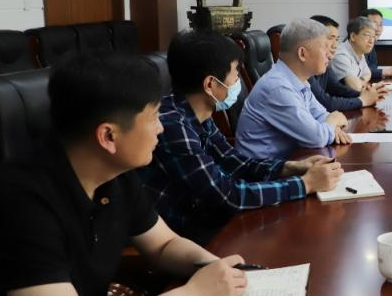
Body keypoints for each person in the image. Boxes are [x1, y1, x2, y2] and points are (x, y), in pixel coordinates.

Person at [0, 54, 249, 296]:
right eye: (153, 117)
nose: (161, 129)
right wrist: (193, 295)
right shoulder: (19, 201)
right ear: (108, 136)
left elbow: (163, 244)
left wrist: (215, 269)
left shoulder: (114, 174)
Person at [140, 30, 342, 244]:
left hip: (209, 216)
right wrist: (305, 184)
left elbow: (233, 161)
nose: (238, 81)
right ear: (210, 85)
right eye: (235, 74)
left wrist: (290, 168)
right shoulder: (173, 126)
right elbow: (226, 197)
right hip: (185, 234)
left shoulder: (198, 113)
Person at [236, 19, 352, 159]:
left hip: (290, 161)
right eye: (325, 48)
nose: (331, 55)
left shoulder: (299, 81)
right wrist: (333, 122)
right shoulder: (278, 88)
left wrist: (331, 124)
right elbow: (317, 137)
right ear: (302, 54)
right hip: (265, 169)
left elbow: (321, 115)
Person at [309, 14, 386, 112]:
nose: (335, 45)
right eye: (330, 38)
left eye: (336, 39)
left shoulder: (324, 63)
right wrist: (362, 100)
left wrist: (365, 94)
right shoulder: (307, 70)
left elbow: (337, 88)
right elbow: (326, 102)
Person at [328, 16, 378, 92]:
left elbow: (368, 73)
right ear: (353, 36)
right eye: (368, 35)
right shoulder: (340, 55)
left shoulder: (359, 51)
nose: (371, 41)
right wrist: (361, 83)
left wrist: (361, 80)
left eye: (373, 37)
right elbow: (355, 87)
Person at [358, 8, 392, 81]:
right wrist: (388, 71)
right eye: (374, 24)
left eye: (380, 25)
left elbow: (373, 64)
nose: (378, 29)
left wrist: (373, 72)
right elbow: (360, 72)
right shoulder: (356, 44)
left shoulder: (371, 41)